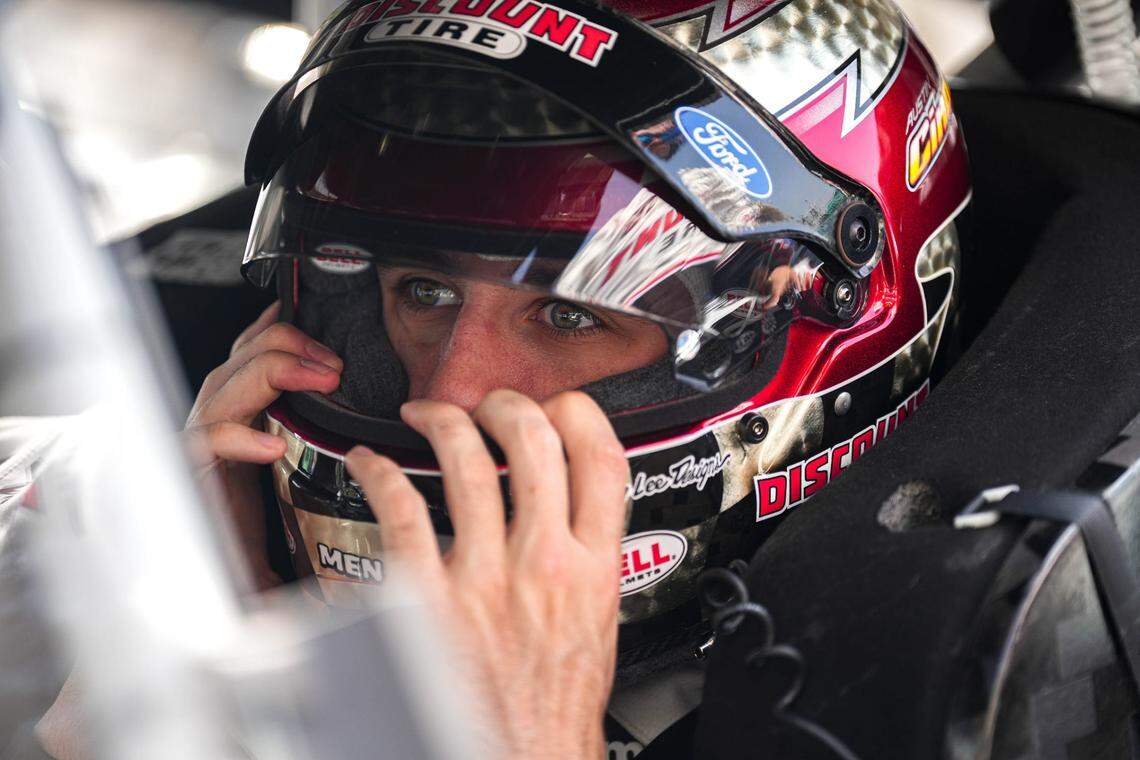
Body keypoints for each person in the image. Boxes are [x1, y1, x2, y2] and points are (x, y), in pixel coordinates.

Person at [45, 1, 974, 757]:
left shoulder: (982, 685)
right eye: (420, 290)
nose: (442, 397)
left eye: (571, 315)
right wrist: (147, 706)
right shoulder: (94, 520)